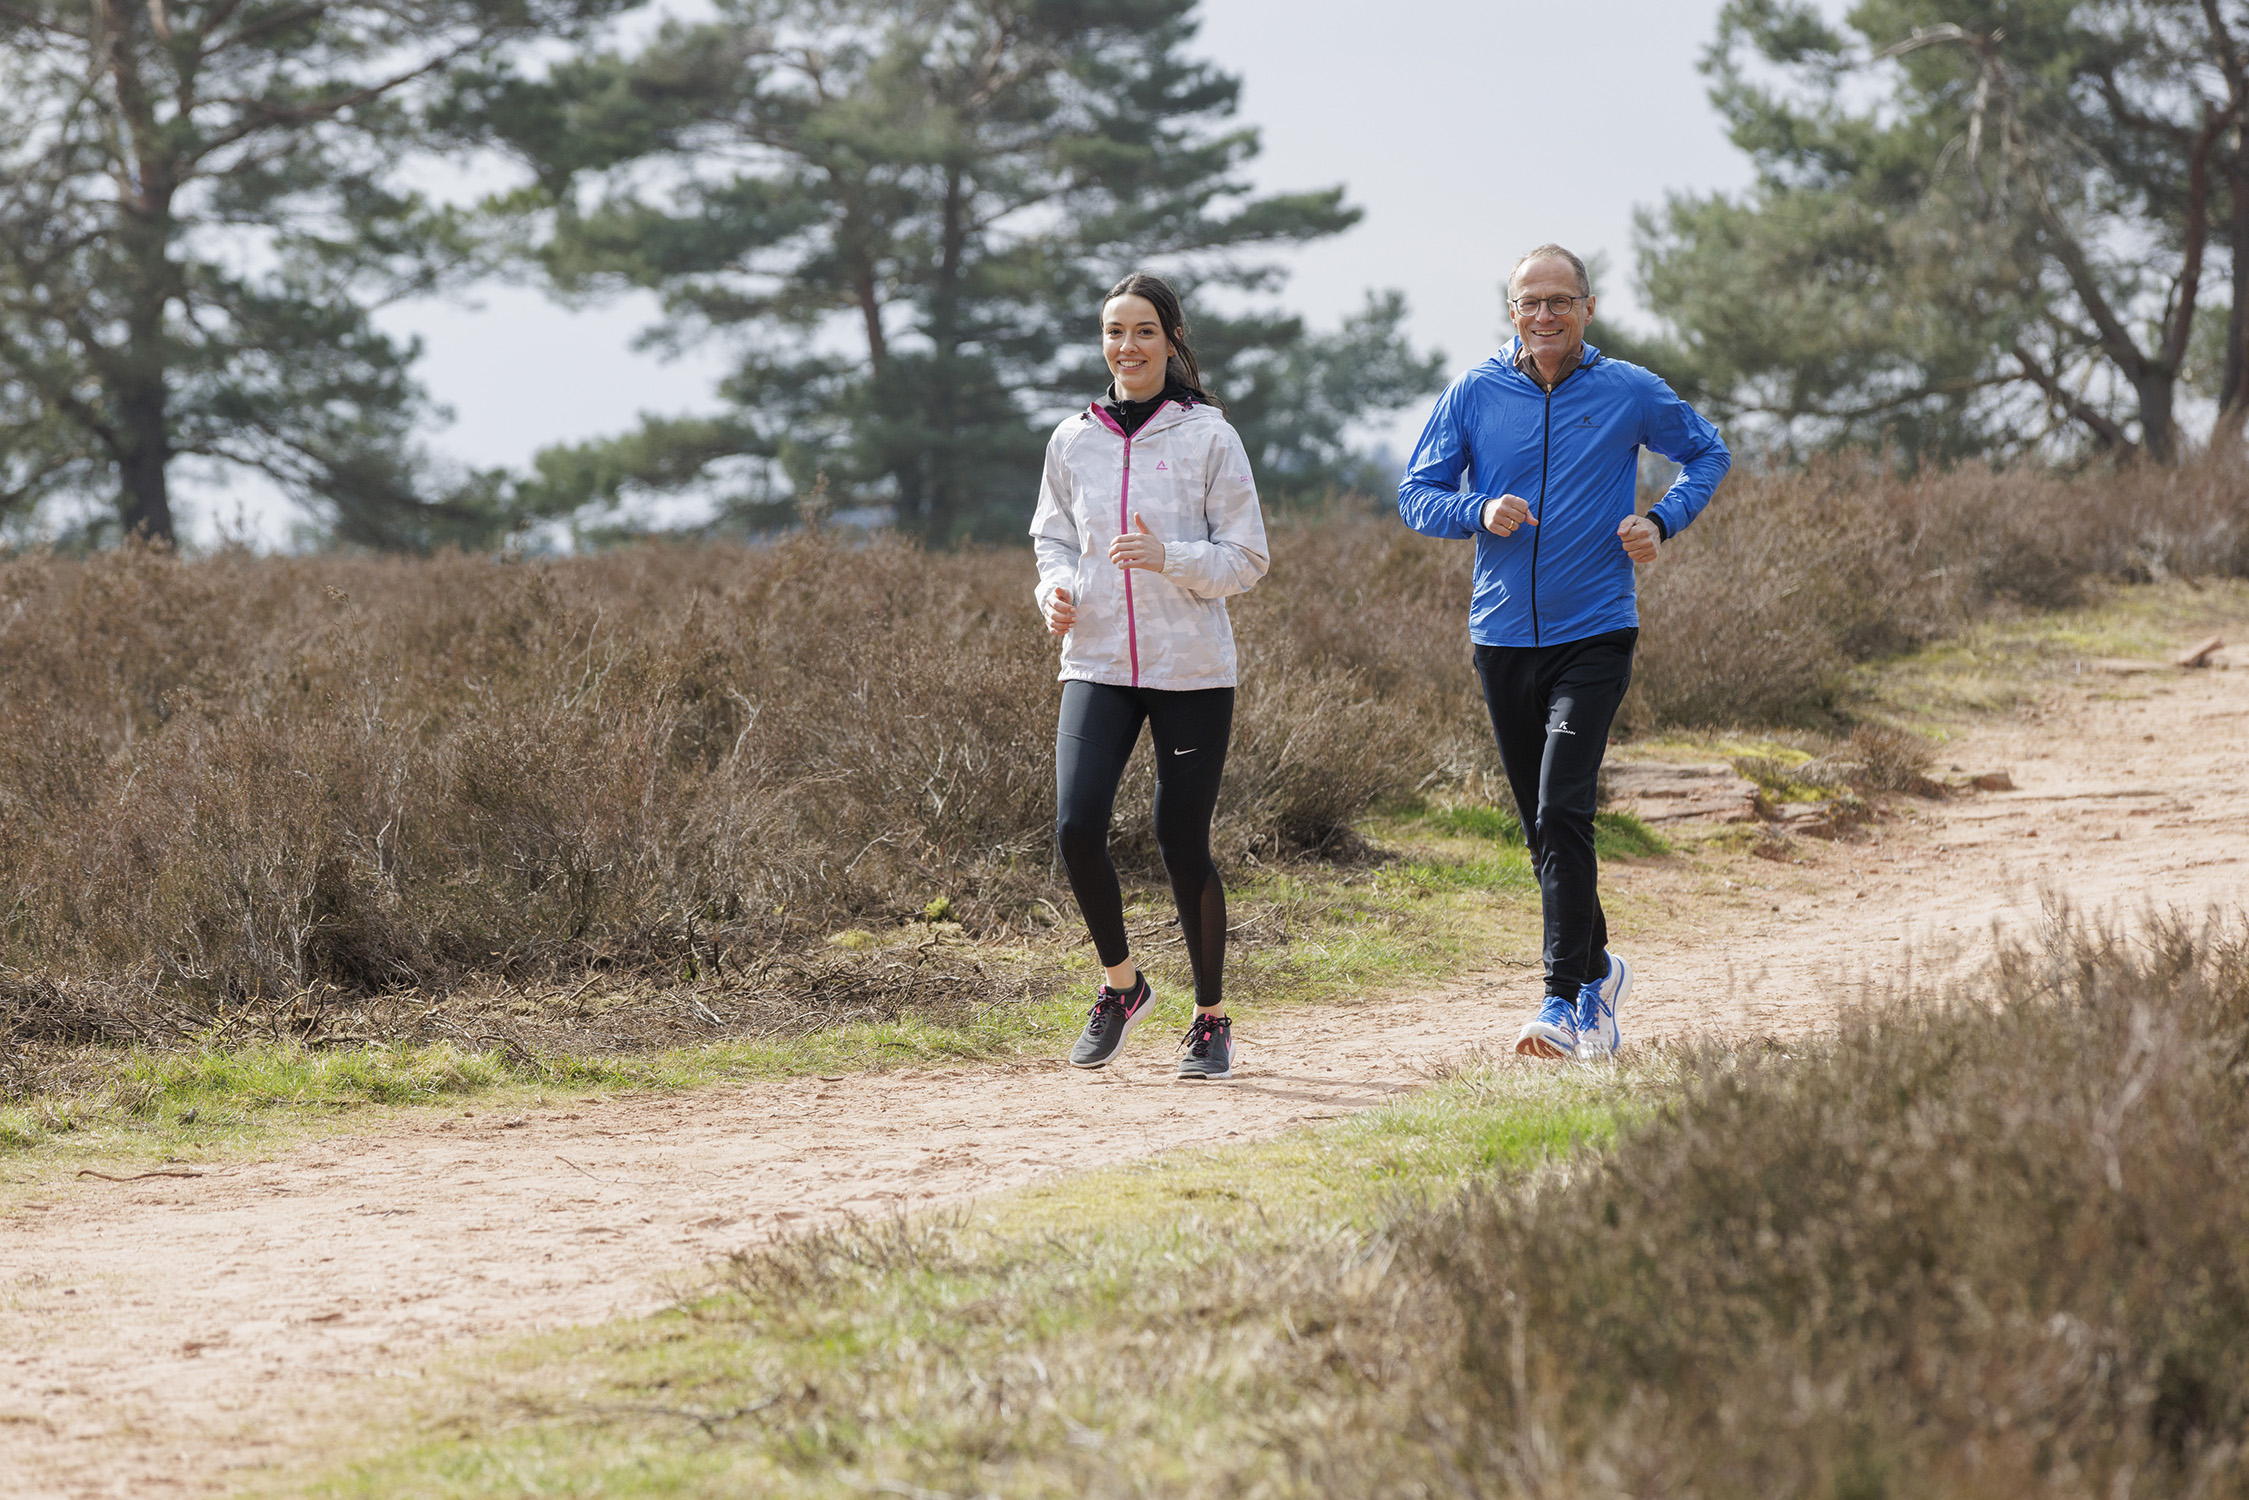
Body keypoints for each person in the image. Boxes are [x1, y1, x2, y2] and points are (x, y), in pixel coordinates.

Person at [1398, 244, 1730, 1060]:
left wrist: (1659, 520)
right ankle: (1600, 972)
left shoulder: (1628, 389)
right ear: (1511, 311)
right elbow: (1416, 494)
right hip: (1501, 636)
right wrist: (1477, 511)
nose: (1543, 315)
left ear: (1587, 307)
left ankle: (1561, 1000)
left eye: (1559, 300)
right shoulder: (1473, 392)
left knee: (1561, 809)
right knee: (1541, 830)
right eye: (1529, 302)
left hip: (1595, 630)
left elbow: (1707, 452)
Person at [1029, 271, 1270, 1081]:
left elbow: (1246, 558)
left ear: (1171, 340)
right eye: (1113, 332)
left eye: (1142, 331)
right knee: (1075, 826)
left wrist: (1169, 558)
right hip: (1095, 661)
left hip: (1190, 669)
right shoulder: (1073, 439)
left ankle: (1210, 1019)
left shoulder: (1209, 437)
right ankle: (1122, 985)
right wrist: (1053, 591)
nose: (1125, 347)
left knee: (1180, 842)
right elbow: (1052, 538)